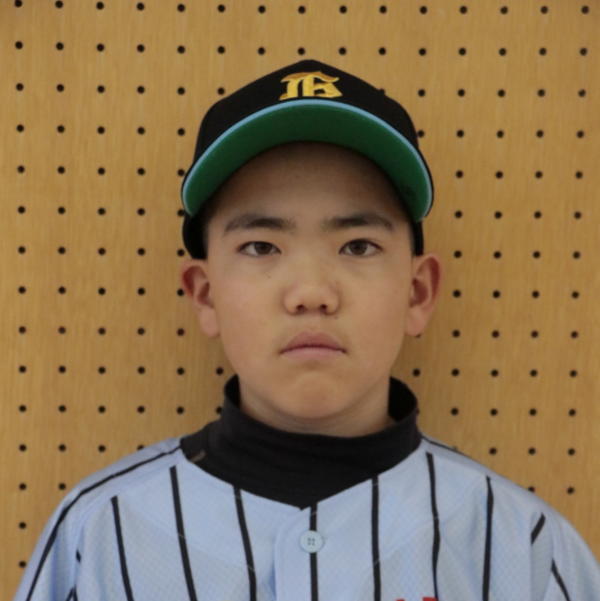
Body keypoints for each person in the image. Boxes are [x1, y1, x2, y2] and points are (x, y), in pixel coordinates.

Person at [12, 59, 599, 601]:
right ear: (206, 294)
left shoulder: (519, 544)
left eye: (358, 245)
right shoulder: (104, 531)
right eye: (261, 246)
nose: (312, 293)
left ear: (417, 293)